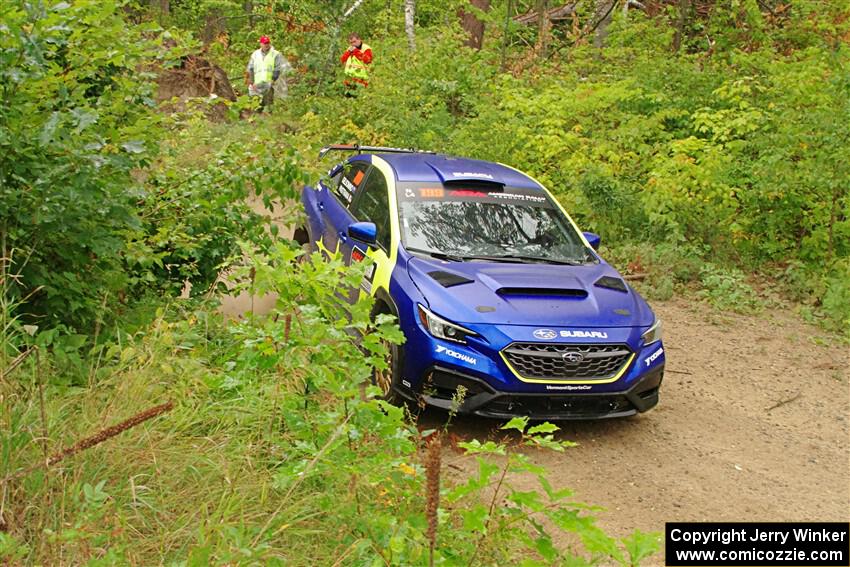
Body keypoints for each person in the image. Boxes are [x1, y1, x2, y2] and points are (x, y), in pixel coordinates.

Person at [245, 35, 285, 111]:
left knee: (268, 104)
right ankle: (257, 119)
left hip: (269, 82)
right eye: (264, 43)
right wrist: (252, 81)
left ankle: (269, 120)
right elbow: (250, 68)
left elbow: (277, 68)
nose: (266, 45)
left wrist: (273, 80)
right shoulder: (255, 54)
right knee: (256, 105)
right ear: (261, 44)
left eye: (267, 43)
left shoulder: (275, 54)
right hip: (256, 83)